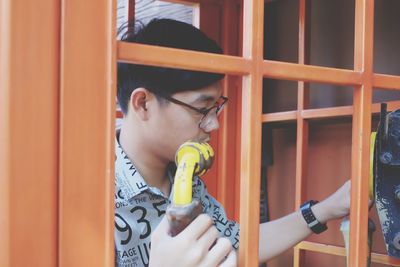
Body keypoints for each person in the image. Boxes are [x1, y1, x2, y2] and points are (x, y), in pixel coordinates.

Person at [115, 18, 351, 267]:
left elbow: (236, 243)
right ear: (143, 103)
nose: (214, 125)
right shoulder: (92, 194)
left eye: (216, 108)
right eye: (201, 109)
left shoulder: (185, 177)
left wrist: (327, 208)